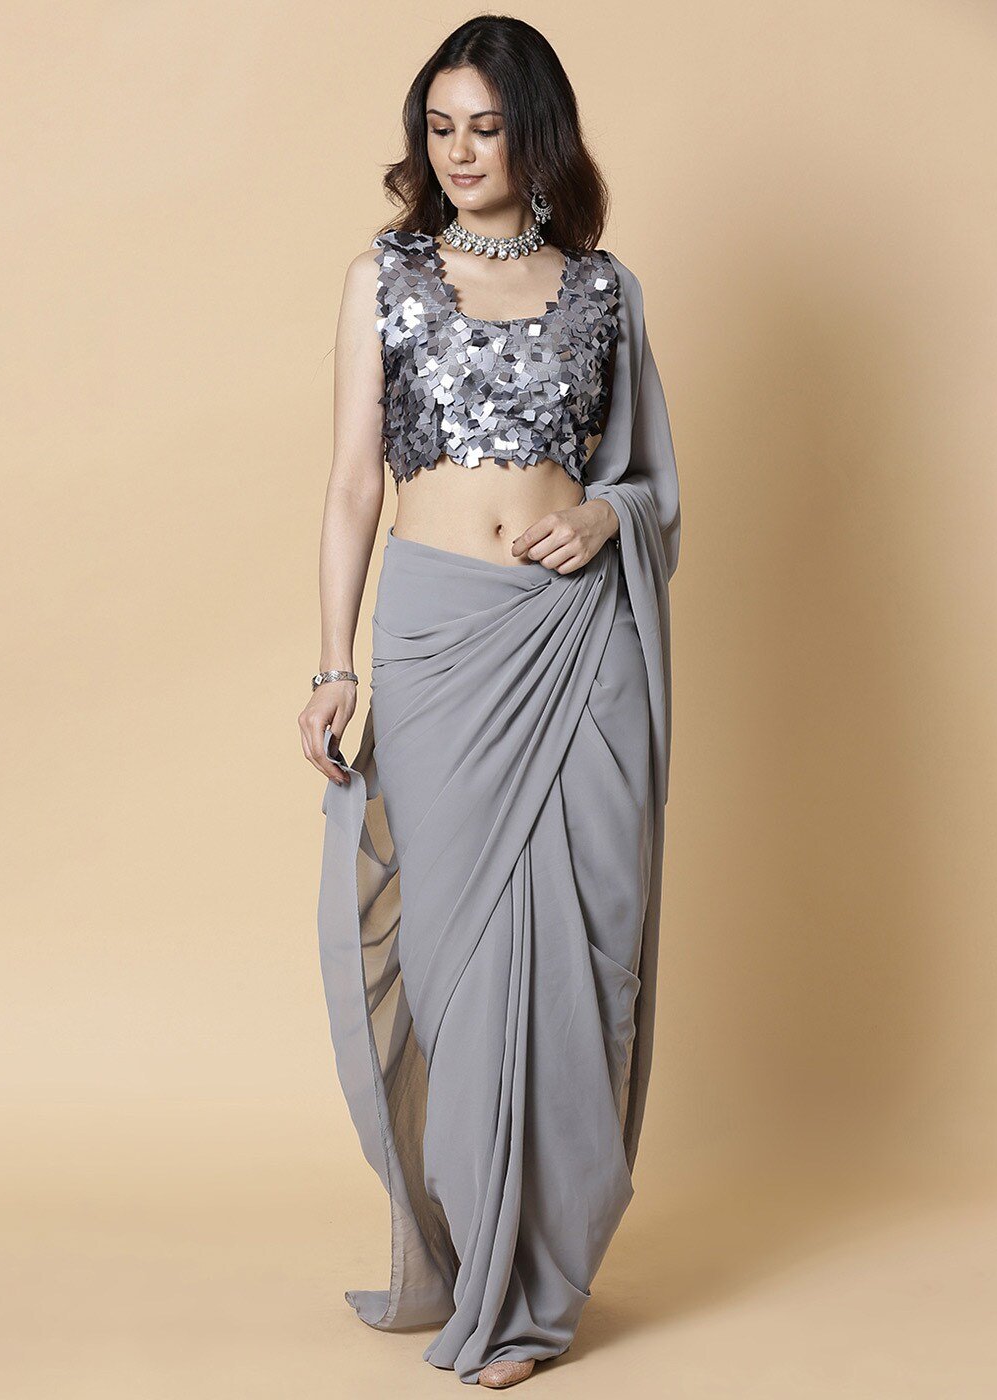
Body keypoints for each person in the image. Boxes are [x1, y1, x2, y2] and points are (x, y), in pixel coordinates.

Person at [299, 15, 681, 1390]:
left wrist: (602, 519)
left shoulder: (604, 289)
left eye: (488, 126)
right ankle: (478, 1266)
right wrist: (333, 665)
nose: (462, 153)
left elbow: (651, 485)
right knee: (457, 967)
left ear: (537, 134)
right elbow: (355, 482)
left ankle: (538, 1292)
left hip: (579, 648)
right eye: (440, 127)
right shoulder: (384, 277)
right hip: (439, 648)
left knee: (585, 959)